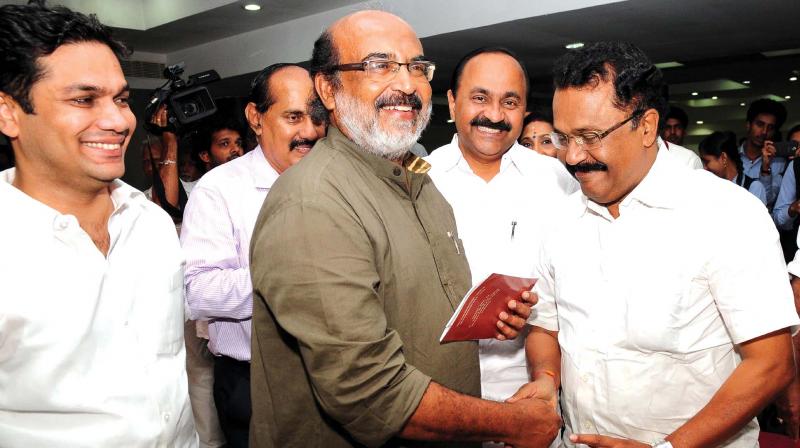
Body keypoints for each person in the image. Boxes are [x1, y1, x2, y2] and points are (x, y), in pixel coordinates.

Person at [248, 10, 560, 448]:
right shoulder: (314, 202)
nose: (408, 84)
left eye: (417, 67)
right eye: (379, 65)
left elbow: (424, 317)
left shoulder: (418, 182)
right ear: (328, 89)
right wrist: (512, 423)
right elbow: (368, 393)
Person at [522, 41, 798, 447]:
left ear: (647, 126)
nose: (572, 157)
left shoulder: (726, 214)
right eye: (564, 138)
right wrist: (546, 380)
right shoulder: (560, 219)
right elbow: (546, 324)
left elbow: (772, 364)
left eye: (590, 136)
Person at [0, 3, 196, 446]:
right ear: (8, 113)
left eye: (122, 99)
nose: (118, 121)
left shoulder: (151, 224)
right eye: (84, 99)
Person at [426, 47, 577, 424]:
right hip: (440, 391)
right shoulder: (421, 179)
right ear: (451, 101)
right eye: (480, 98)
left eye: (509, 102)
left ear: (525, 109)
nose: (494, 115)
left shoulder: (553, 179)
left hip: (533, 389)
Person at [181, 63, 325, 448]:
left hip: (334, 375)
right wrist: (290, 277)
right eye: (293, 117)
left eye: (317, 117)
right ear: (255, 118)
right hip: (255, 382)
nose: (309, 131)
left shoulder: (335, 183)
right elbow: (199, 291)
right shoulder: (219, 190)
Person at [740, 98, 789, 207]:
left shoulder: (779, 164)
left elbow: (768, 200)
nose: (764, 132)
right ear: (748, 125)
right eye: (760, 124)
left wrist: (765, 169)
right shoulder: (731, 157)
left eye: (770, 128)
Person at [699, 130, 767, 205]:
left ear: (723, 158)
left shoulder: (753, 188)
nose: (704, 168)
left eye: (707, 162)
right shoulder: (709, 189)